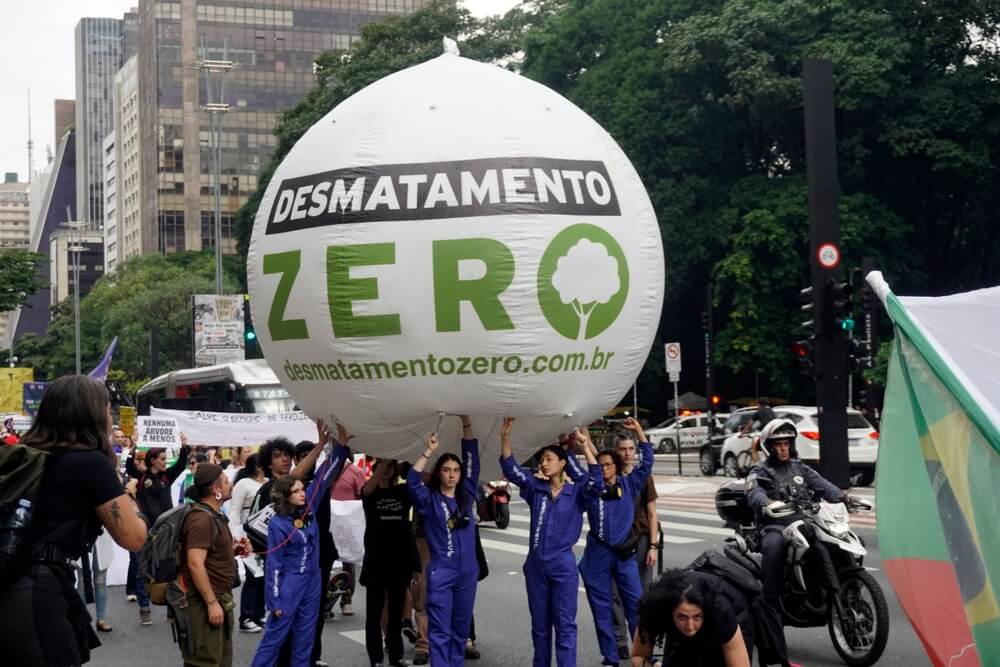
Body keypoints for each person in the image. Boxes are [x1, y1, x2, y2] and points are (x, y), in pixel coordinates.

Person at [0, 375, 148, 665]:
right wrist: (128, 494)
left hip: (9, 587)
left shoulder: (29, 456)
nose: (109, 417)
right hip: (39, 595)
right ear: (92, 415)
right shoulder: (89, 463)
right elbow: (134, 537)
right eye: (107, 409)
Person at [500, 418, 602, 667]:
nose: (543, 464)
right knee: (540, 627)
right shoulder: (536, 487)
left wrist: (585, 446)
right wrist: (505, 437)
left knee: (565, 625)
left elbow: (596, 483)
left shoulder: (576, 492)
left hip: (562, 566)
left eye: (549, 459)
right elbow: (512, 470)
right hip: (535, 565)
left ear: (562, 464)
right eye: (542, 459)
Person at [250, 428, 349, 667]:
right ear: (285, 495)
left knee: (305, 640)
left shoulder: (309, 505)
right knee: (274, 639)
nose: (301, 493)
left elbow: (324, 477)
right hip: (289, 583)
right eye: (295, 491)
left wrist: (339, 447)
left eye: (302, 489)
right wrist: (273, 601)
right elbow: (273, 565)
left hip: (313, 581)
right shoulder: (277, 521)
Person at [746, 419, 846, 611]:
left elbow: (822, 485)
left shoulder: (800, 468)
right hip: (776, 525)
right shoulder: (760, 470)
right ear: (769, 447)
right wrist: (767, 503)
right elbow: (754, 493)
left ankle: (842, 584)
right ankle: (770, 604)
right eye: (778, 445)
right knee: (774, 547)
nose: (783, 449)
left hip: (804, 522)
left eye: (786, 444)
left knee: (840, 540)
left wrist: (843, 497)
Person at [579, 418, 654, 666]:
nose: (604, 468)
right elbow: (576, 466)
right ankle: (610, 657)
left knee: (636, 605)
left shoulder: (629, 483)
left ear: (616, 465)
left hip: (624, 554)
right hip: (598, 554)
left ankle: (643, 654)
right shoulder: (592, 487)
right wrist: (582, 443)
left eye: (609, 465)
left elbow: (648, 462)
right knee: (602, 609)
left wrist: (639, 432)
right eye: (600, 465)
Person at [407, 418, 480, 667]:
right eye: (447, 470)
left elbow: (472, 462)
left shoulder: (467, 497)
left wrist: (467, 425)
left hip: (467, 574)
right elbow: (413, 481)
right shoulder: (429, 500)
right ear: (439, 472)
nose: (452, 475)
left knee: (460, 633)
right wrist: (429, 451)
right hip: (441, 573)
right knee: (440, 633)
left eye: (456, 471)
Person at [176, 463, 251, 667]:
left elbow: (208, 554)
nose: (230, 485)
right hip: (203, 602)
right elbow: (195, 564)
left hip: (219, 597)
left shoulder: (214, 515)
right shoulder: (201, 519)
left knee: (220, 660)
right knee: (204, 662)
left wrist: (231, 550)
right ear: (215, 490)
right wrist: (211, 603)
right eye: (226, 482)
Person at [362, 458, 419, 667]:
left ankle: (397, 656)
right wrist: (385, 458)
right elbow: (368, 489)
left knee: (396, 612)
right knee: (374, 613)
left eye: (389, 468)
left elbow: (418, 480)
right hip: (376, 560)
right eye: (381, 468)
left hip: (400, 559)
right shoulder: (369, 492)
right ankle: (376, 659)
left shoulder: (403, 492)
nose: (385, 471)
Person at [631, 569, 752, 667]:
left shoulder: (721, 611)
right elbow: (638, 656)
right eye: (682, 617)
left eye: (697, 617)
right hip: (676, 628)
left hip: (720, 624)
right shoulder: (655, 609)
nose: (690, 626)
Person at [135, 436, 190, 625]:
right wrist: (135, 445)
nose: (165, 463)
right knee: (145, 567)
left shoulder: (166, 477)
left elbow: (181, 465)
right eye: (162, 459)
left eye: (166, 459)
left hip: (168, 529)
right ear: (152, 461)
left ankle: (171, 608)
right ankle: (144, 607)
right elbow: (150, 508)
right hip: (152, 529)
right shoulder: (144, 480)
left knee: (171, 566)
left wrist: (183, 447)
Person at [229, 453, 266, 633]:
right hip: (247, 534)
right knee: (253, 574)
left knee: (264, 574)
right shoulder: (243, 484)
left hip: (265, 534)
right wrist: (235, 534)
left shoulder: (268, 482)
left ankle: (259, 612)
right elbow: (235, 510)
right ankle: (246, 617)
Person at [330, 446, 366, 618]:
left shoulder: (355, 472)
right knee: (325, 561)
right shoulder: (327, 470)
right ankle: (325, 601)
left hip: (347, 524)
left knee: (348, 562)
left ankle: (347, 600)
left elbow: (363, 496)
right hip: (329, 523)